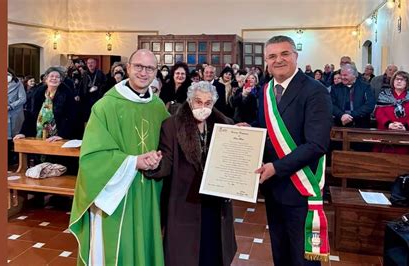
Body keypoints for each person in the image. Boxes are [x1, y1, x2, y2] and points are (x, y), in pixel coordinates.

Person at [69, 49, 169, 266]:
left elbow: (170, 143)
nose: (144, 72)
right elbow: (92, 157)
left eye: (150, 68)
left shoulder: (158, 107)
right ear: (128, 69)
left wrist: (159, 157)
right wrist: (134, 162)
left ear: (156, 73)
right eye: (139, 67)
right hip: (114, 194)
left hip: (147, 191)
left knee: (144, 240)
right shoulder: (105, 106)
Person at [254, 35, 332, 265]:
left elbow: (317, 144)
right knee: (281, 253)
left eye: (284, 54)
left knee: (303, 258)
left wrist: (276, 168)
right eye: (272, 56)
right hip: (274, 188)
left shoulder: (315, 91)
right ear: (266, 61)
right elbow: (268, 130)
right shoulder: (266, 90)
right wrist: (248, 131)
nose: (278, 60)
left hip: (300, 189)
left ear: (296, 56)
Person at [145, 81, 237, 266]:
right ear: (189, 101)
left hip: (214, 201)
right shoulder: (172, 126)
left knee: (214, 250)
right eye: (198, 101)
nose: (203, 107)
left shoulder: (225, 125)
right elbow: (167, 161)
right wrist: (154, 165)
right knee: (185, 253)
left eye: (208, 103)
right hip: (185, 200)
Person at [14, 67, 76, 142]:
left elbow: (71, 117)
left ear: (60, 81)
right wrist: (23, 133)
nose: (54, 78)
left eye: (57, 77)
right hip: (38, 134)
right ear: (46, 79)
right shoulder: (38, 93)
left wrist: (62, 135)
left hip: (58, 136)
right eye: (51, 76)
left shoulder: (67, 94)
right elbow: (31, 115)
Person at [374, 70, 409, 154]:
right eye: (396, 79)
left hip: (406, 134)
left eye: (402, 79)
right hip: (386, 132)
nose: (399, 81)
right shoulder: (384, 95)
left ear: (407, 82)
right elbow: (379, 112)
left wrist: (406, 126)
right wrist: (389, 124)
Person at [330, 63, 375, 128]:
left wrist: (351, 115)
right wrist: (342, 115)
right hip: (340, 124)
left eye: (345, 75)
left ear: (354, 75)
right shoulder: (335, 88)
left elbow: (369, 105)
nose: (342, 77)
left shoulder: (366, 87)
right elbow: (331, 104)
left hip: (361, 125)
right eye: (341, 75)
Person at [7, 69, 27, 165]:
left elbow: (23, 98)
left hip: (14, 113)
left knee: (14, 137)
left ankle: (14, 160)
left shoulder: (18, 83)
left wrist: (11, 106)